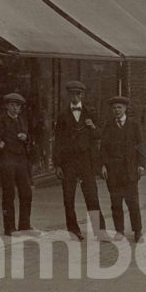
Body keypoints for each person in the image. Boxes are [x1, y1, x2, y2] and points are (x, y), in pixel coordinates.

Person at [54, 80, 108, 240]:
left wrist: (92, 127)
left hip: (86, 162)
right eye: (72, 94)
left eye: (78, 94)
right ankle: (73, 230)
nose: (75, 97)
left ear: (82, 95)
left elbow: (100, 135)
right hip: (68, 162)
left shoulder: (90, 112)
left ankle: (100, 231)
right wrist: (57, 164)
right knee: (68, 198)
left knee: (92, 196)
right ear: (68, 95)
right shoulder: (62, 115)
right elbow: (58, 141)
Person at [0, 93, 37, 237]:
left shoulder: (22, 120)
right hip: (7, 160)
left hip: (21, 160)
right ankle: (10, 228)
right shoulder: (0, 119)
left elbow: (28, 139)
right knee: (9, 193)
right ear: (6, 106)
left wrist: (26, 137)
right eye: (12, 105)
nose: (16, 108)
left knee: (26, 192)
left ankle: (25, 225)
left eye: (18, 106)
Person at [100, 96, 146, 242]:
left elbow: (141, 146)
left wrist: (141, 164)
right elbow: (103, 149)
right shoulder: (108, 126)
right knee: (116, 202)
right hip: (113, 172)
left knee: (133, 202)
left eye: (119, 107)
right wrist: (103, 165)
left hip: (130, 171)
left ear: (125, 108)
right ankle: (119, 230)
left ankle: (137, 230)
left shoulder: (134, 125)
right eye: (114, 108)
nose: (116, 110)